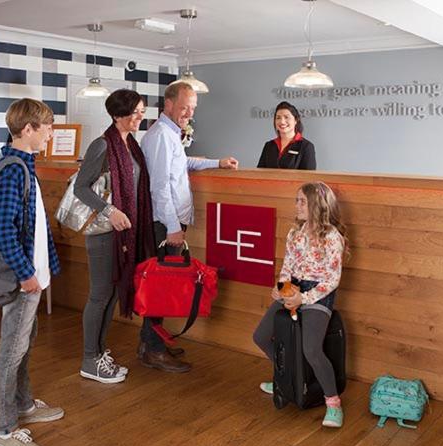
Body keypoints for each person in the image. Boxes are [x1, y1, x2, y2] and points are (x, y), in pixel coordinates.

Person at [140, 81, 239, 372]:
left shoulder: (170, 134)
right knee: (160, 287)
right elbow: (159, 188)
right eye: (184, 107)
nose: (188, 113)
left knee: (163, 285)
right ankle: (153, 350)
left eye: (192, 108)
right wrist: (173, 227)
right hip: (164, 223)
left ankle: (150, 343)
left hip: (171, 222)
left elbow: (181, 164)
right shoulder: (160, 135)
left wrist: (216, 162)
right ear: (168, 104)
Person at [0, 98, 63, 446]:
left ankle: (23, 404)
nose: (51, 133)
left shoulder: (24, 165)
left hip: (33, 275)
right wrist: (25, 274)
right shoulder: (13, 169)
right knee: (11, 351)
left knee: (24, 343)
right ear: (29, 129)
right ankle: (3, 429)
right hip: (24, 278)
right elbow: (2, 229)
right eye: (47, 127)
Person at [73, 89, 154, 384]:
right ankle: (88, 359)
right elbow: (80, 188)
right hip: (105, 233)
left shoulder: (131, 145)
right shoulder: (102, 145)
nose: (140, 117)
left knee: (108, 295)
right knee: (99, 295)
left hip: (122, 234)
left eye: (142, 112)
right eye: (136, 112)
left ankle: (98, 353)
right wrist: (110, 211)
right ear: (119, 114)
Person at [252, 181, 348, 428]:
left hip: (318, 294)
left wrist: (302, 299)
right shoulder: (295, 233)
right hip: (294, 288)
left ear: (317, 205)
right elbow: (288, 267)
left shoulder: (332, 238)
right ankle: (287, 377)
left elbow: (332, 280)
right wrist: (282, 288)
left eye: (302, 201)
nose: (297, 205)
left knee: (312, 350)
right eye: (296, 200)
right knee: (261, 337)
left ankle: (333, 402)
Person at [257, 101, 316, 170]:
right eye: (278, 118)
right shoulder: (269, 145)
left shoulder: (306, 146)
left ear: (295, 120)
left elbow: (309, 177)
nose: (282, 121)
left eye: (286, 117)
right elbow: (260, 173)